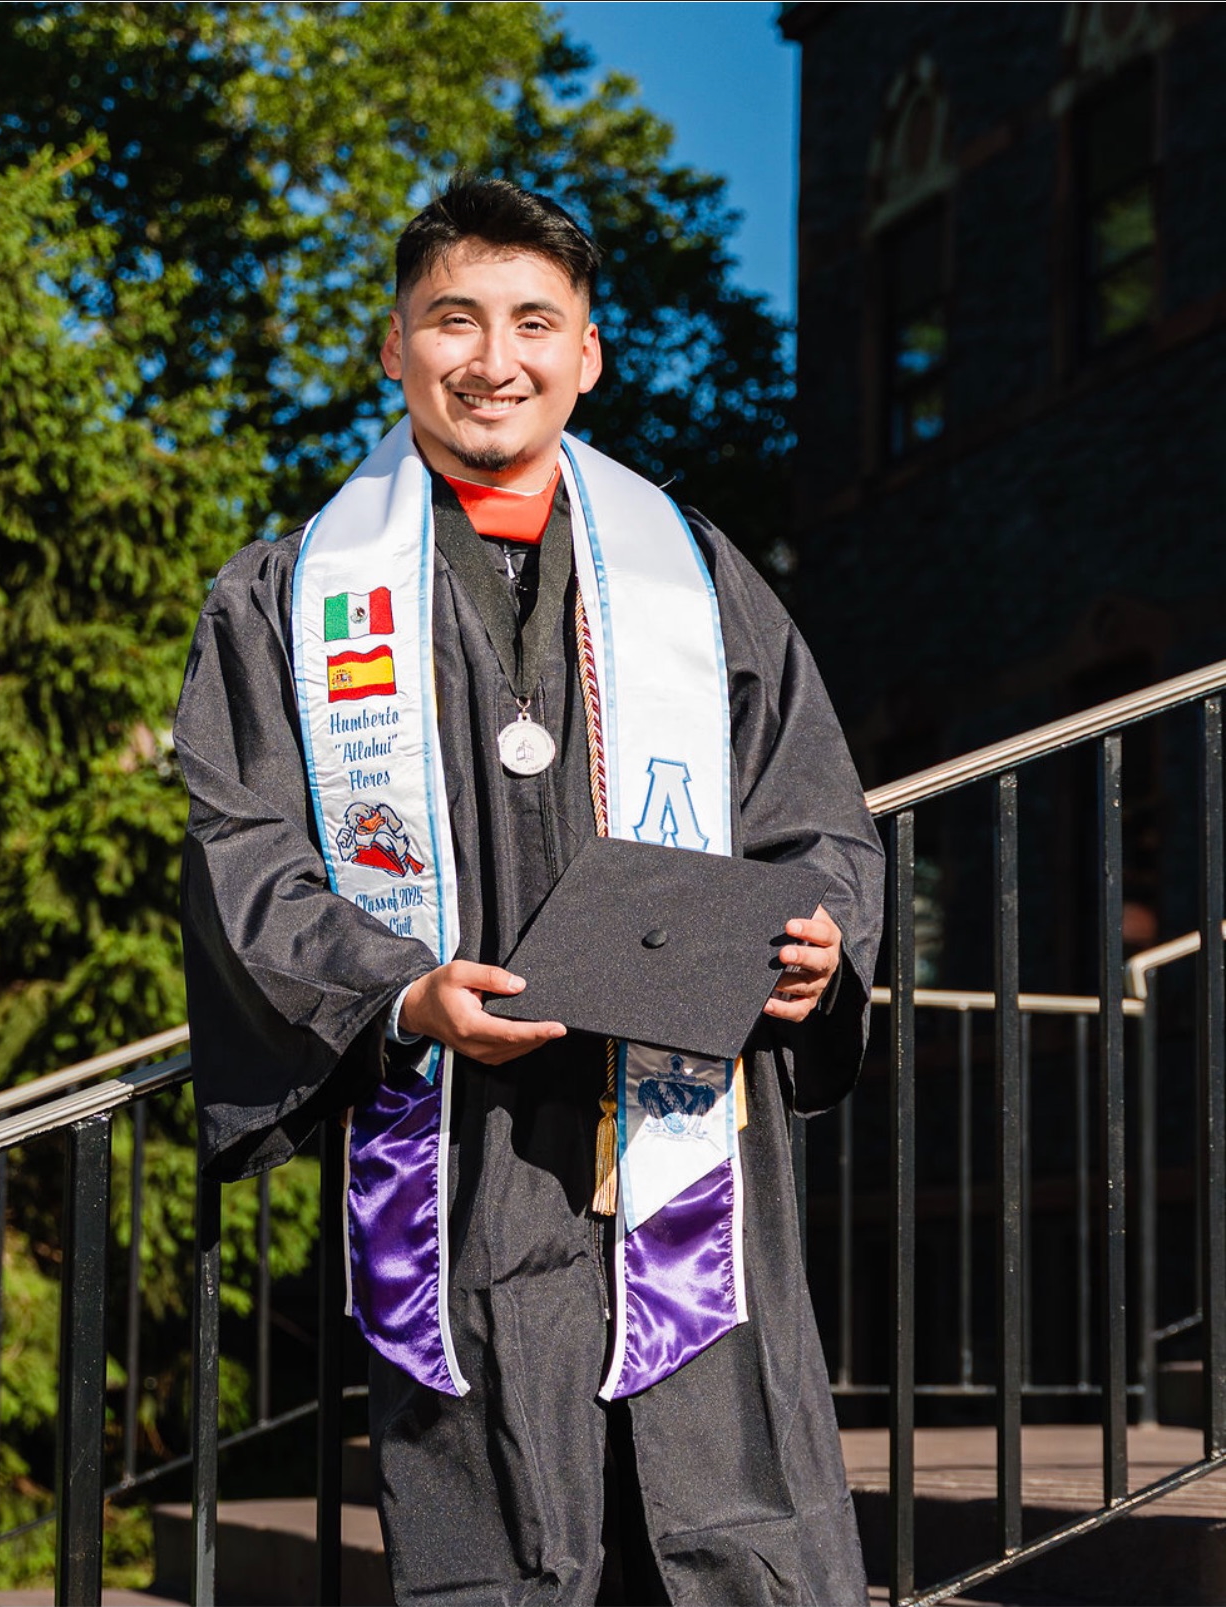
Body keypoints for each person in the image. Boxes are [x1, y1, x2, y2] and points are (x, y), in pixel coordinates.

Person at [174, 177, 884, 1606]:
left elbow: (816, 819)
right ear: (394, 347)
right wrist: (398, 993)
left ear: (588, 354)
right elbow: (243, 850)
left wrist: (818, 943)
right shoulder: (289, 596)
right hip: (459, 1142)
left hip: (683, 1134)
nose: (493, 358)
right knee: (497, 1533)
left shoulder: (698, 579)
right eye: (454, 319)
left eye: (532, 323)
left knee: (737, 1517)